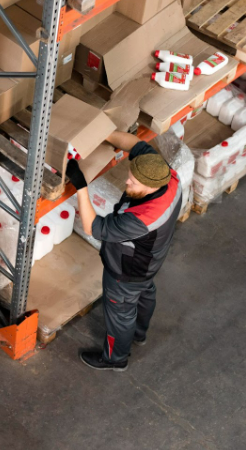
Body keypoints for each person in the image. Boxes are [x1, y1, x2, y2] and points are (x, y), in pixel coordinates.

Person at [67, 131, 182, 371]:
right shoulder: (166, 175)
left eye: (133, 183)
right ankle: (139, 333)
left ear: (150, 187)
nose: (127, 183)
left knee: (120, 314)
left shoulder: (141, 219)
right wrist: (104, 133)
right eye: (130, 177)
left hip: (126, 272)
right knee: (144, 293)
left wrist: (80, 186)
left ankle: (115, 358)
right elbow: (136, 144)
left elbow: (92, 227)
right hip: (149, 261)